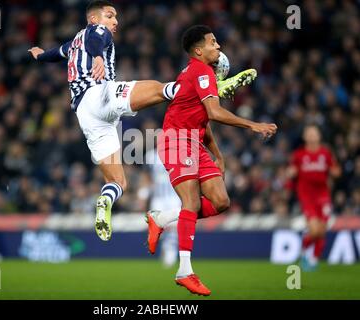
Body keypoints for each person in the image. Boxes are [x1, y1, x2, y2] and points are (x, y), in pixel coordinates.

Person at [28, 0, 256, 241]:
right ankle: (214, 89)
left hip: (86, 115)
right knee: (159, 90)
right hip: (99, 94)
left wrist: (40, 56)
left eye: (115, 17)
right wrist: (97, 58)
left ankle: (105, 200)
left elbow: (57, 54)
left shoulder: (73, 43)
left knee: (118, 182)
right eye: (109, 16)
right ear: (94, 19)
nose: (114, 21)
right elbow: (98, 39)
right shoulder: (95, 31)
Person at [146, 25, 277, 296]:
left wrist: (218, 155)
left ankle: (162, 218)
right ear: (198, 50)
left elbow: (203, 121)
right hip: (176, 140)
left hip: (194, 141)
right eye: (213, 42)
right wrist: (253, 125)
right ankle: (185, 271)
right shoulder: (200, 71)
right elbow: (215, 112)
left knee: (221, 201)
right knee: (192, 203)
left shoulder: (196, 74)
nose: (218, 46)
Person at [287, 124, 341, 271]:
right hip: (306, 195)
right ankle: (304, 251)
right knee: (315, 230)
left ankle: (314, 259)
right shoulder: (299, 155)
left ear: (319, 136)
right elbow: (290, 171)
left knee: (322, 231)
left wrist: (335, 172)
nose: (311, 135)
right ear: (305, 137)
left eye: (314, 133)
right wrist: (290, 172)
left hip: (323, 195)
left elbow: (335, 170)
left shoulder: (326, 153)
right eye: (308, 133)